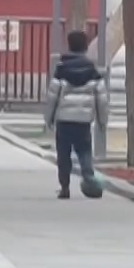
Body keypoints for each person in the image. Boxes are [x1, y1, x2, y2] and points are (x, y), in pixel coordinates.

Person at [44, 30, 110, 199]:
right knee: (85, 151)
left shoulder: (61, 69)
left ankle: (64, 187)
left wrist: (48, 118)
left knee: (63, 154)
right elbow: (102, 98)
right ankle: (88, 176)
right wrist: (103, 120)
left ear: (69, 45)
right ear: (86, 47)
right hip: (84, 120)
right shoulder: (93, 71)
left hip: (64, 120)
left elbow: (52, 96)